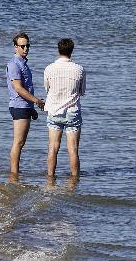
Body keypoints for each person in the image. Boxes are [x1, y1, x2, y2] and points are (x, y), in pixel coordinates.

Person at [43, 38, 85, 178]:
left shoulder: (49, 68)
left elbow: (47, 89)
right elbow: (82, 92)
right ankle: (74, 181)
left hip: (54, 111)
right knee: (73, 149)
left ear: (58, 50)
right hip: (72, 111)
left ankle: (50, 178)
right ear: (71, 51)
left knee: (53, 148)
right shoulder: (79, 69)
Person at [7, 31, 45, 175]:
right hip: (19, 106)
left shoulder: (23, 63)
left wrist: (31, 108)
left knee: (20, 143)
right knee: (18, 142)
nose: (25, 49)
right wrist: (36, 101)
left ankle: (15, 172)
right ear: (15, 47)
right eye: (22, 46)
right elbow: (18, 88)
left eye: (27, 46)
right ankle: (14, 174)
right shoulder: (14, 64)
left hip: (24, 106)